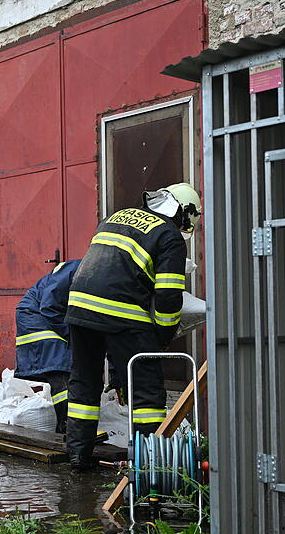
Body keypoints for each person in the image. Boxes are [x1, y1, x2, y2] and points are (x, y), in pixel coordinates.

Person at [64, 182, 201, 471]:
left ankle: (78, 457)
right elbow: (167, 294)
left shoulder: (116, 216)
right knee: (146, 390)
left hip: (79, 308)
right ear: (183, 213)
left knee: (84, 382)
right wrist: (162, 337)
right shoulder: (169, 236)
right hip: (121, 311)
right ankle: (147, 463)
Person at [14, 259, 81, 433]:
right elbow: (49, 307)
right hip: (36, 317)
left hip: (51, 317)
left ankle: (69, 426)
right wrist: (75, 337)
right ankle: (66, 427)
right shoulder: (74, 270)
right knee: (60, 369)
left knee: (66, 369)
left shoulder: (100, 276)